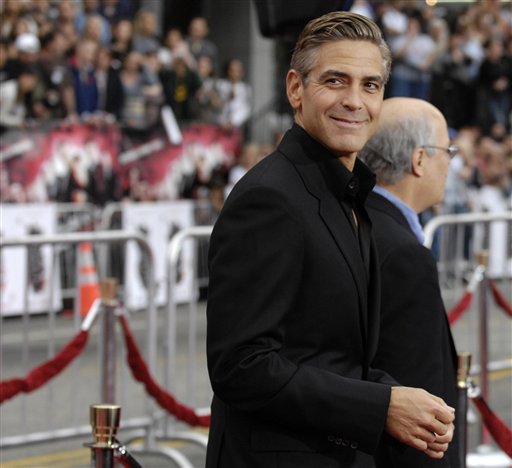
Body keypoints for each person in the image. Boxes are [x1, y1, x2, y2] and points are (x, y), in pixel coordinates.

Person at [205, 11, 455, 468]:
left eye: (370, 85)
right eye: (336, 81)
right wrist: (382, 406)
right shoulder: (269, 197)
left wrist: (393, 395)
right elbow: (240, 366)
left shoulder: (345, 191)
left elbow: (329, 354)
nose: (355, 101)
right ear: (296, 88)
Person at [358, 97, 460, 467]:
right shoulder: (402, 252)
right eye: (447, 149)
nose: (451, 161)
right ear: (419, 160)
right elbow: (417, 405)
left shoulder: (356, 220)